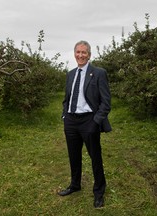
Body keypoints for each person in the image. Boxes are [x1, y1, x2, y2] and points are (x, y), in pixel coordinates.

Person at [58, 40, 112, 208]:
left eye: (84, 52)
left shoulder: (99, 73)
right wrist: (65, 115)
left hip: (89, 120)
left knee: (95, 157)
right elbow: (67, 98)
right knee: (74, 156)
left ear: (89, 55)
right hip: (71, 121)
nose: (80, 55)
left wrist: (96, 121)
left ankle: (99, 192)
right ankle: (75, 185)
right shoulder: (70, 74)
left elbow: (106, 102)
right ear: (74, 54)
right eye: (78, 52)